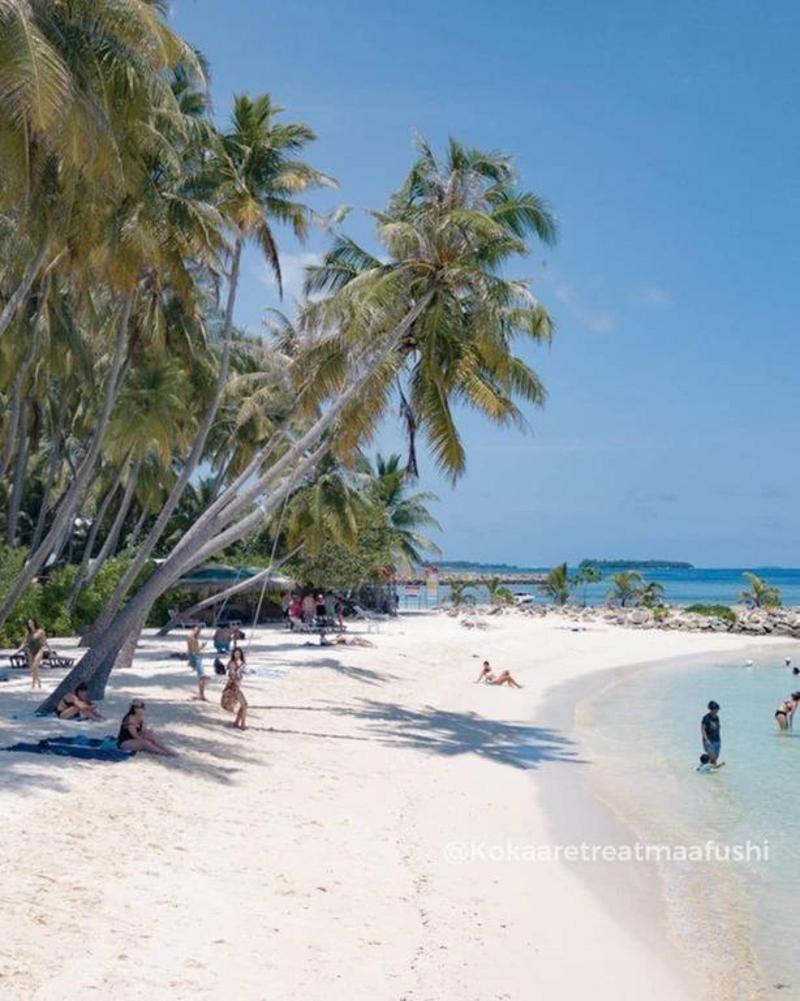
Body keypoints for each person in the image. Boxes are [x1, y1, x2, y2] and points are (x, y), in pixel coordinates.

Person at [16, 618, 48, 690]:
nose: (30, 624)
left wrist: (50, 650)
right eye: (29, 623)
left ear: (34, 623)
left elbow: (45, 641)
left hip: (39, 650)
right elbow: (24, 643)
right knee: (32, 669)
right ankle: (37, 682)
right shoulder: (28, 633)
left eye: (31, 623)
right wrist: (18, 650)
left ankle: (34, 684)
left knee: (34, 666)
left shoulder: (40, 631)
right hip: (30, 651)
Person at [221, 647, 248, 731]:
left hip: (236, 687)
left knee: (244, 705)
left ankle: (237, 722)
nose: (237, 655)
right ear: (233, 654)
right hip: (233, 687)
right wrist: (238, 672)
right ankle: (242, 725)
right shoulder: (232, 663)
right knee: (245, 705)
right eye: (236, 653)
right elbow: (232, 675)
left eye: (239, 653)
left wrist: (241, 668)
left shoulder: (240, 663)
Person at [187, 626, 209, 702]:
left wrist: (201, 647)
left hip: (196, 657)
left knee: (201, 677)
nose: (198, 633)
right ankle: (201, 695)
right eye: (197, 631)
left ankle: (201, 695)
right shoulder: (192, 638)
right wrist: (202, 646)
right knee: (201, 677)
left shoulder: (192, 637)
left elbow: (193, 650)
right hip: (195, 657)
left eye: (199, 632)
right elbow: (193, 650)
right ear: (193, 630)